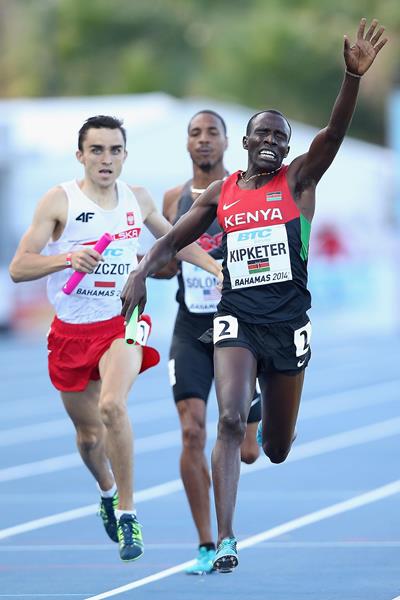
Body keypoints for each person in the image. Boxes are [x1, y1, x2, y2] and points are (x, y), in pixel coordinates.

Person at [121, 19, 387, 572]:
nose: (269, 142)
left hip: (288, 326)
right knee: (225, 421)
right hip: (236, 319)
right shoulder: (223, 193)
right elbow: (173, 237)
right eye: (260, 134)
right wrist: (142, 270)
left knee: (278, 449)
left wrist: (351, 79)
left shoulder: (298, 182)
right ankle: (226, 538)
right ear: (244, 143)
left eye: (278, 138)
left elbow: (333, 136)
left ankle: (271, 417)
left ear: (287, 149)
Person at [8, 115, 222, 563]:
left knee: (112, 406)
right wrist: (66, 259)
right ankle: (106, 490)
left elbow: (177, 241)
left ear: (125, 154)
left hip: (121, 322)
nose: (106, 159)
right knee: (89, 437)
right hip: (70, 331)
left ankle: (128, 512)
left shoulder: (137, 198)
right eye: (97, 150)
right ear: (81, 155)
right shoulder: (58, 201)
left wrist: (218, 270)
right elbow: (19, 267)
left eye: (115, 150)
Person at [159, 110, 261, 575]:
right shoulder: (172, 198)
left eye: (212, 133)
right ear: (186, 144)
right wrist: (136, 263)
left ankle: (260, 409)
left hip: (237, 325)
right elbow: (166, 262)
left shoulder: (245, 190)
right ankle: (207, 542)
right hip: (190, 326)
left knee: (248, 449)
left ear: (227, 142)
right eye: (195, 133)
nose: (203, 141)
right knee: (192, 430)